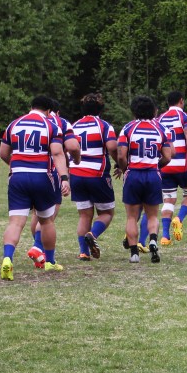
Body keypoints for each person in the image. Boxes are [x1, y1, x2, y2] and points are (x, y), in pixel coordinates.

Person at [0, 96, 70, 280]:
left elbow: (3, 153)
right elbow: (57, 153)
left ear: (31, 107)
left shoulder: (14, 124)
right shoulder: (51, 126)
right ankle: (50, 261)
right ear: (48, 111)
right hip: (41, 177)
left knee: (15, 223)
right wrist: (64, 178)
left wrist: (16, 166)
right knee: (46, 221)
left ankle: (7, 258)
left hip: (17, 178)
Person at [118, 95, 172, 263]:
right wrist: (156, 165)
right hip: (153, 174)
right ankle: (153, 241)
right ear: (153, 111)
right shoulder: (161, 129)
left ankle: (134, 253)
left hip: (133, 174)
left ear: (134, 111)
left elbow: (121, 156)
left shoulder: (128, 128)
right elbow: (168, 156)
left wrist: (125, 168)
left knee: (131, 217)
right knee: (152, 215)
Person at [27, 99, 81, 267]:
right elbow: (72, 146)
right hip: (52, 174)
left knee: (37, 214)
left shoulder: (31, 121)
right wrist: (76, 159)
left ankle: (40, 252)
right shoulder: (61, 122)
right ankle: (38, 247)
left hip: (29, 171)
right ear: (55, 111)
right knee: (48, 218)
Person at [68, 93, 117, 261]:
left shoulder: (74, 126)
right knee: (107, 213)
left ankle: (84, 252)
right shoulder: (104, 126)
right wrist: (120, 163)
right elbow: (112, 147)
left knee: (84, 215)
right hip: (97, 174)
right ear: (101, 109)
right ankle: (92, 234)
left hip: (76, 173)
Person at [155, 91, 187, 246]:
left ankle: (165, 237)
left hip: (165, 164)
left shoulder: (159, 119)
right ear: (181, 101)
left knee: (168, 200)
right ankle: (179, 219)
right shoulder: (186, 117)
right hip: (183, 164)